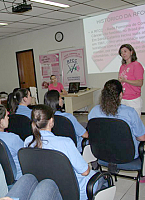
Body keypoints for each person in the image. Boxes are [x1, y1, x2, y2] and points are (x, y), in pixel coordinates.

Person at [24, 104, 106, 200]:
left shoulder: (28, 142)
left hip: (48, 189)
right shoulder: (65, 143)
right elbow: (85, 172)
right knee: (104, 180)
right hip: (76, 191)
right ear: (51, 121)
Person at [88, 79, 145, 159]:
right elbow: (141, 138)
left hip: (101, 153)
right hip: (127, 155)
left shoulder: (94, 111)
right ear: (121, 95)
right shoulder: (130, 112)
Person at [118, 44, 144, 117]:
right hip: (123, 98)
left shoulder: (136, 65)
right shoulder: (122, 67)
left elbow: (140, 83)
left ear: (131, 52)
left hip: (133, 99)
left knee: (134, 122)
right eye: (121, 52)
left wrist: (125, 80)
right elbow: (121, 82)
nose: (123, 54)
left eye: (125, 51)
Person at [0, 105, 23, 180]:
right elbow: (26, 156)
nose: (8, 118)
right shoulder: (12, 138)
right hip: (19, 178)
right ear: (1, 121)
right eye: (7, 116)